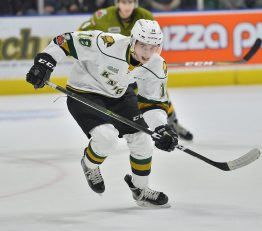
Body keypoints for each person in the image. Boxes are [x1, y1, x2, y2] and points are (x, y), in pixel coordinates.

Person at [26, 19, 178, 207]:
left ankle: (140, 190)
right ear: (133, 42)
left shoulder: (157, 65)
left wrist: (161, 128)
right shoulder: (107, 43)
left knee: (143, 140)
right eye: (143, 46)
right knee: (107, 139)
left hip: (120, 94)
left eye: (154, 47)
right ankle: (89, 165)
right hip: (84, 91)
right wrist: (44, 64)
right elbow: (64, 40)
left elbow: (153, 103)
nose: (148, 53)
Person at [78, 0, 193, 141]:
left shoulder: (145, 16)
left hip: (139, 65)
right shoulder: (103, 16)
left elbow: (153, 42)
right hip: (115, 69)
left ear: (136, 3)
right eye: (124, 2)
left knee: (157, 93)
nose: (127, 6)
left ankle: (173, 123)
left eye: (131, 2)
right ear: (117, 3)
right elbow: (82, 34)